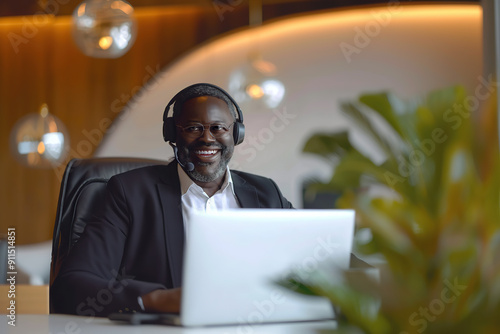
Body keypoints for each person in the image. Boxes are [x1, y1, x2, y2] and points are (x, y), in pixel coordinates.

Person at [50, 83, 293, 317]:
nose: (207, 138)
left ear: (236, 134)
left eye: (219, 128)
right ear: (172, 134)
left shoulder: (266, 193)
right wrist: (157, 299)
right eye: (193, 128)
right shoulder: (130, 193)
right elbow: (71, 285)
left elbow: (311, 265)